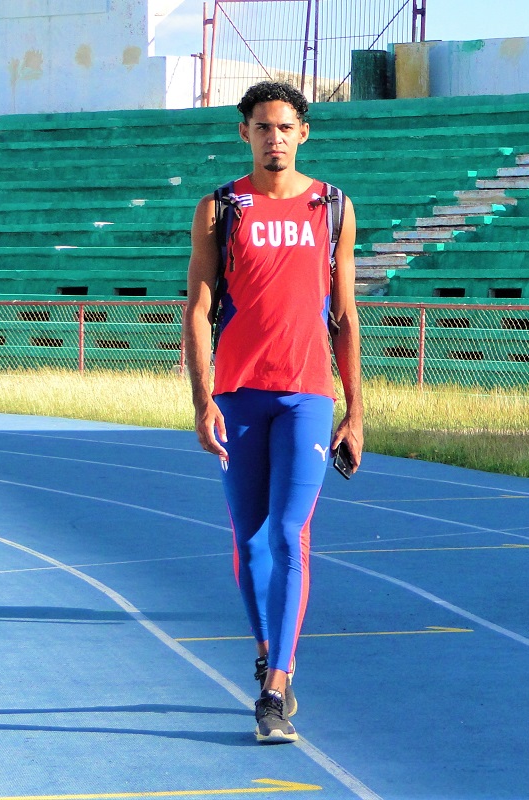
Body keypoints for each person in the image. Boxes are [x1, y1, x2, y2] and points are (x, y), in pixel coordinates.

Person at [182, 81, 363, 743]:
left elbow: (344, 316)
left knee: (291, 533)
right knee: (250, 536)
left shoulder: (334, 206)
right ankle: (267, 648)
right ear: (245, 133)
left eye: (285, 127)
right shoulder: (220, 208)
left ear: (303, 132)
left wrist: (356, 411)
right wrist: (202, 400)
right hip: (237, 394)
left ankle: (277, 685)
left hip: (309, 395)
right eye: (263, 127)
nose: (274, 138)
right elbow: (199, 310)